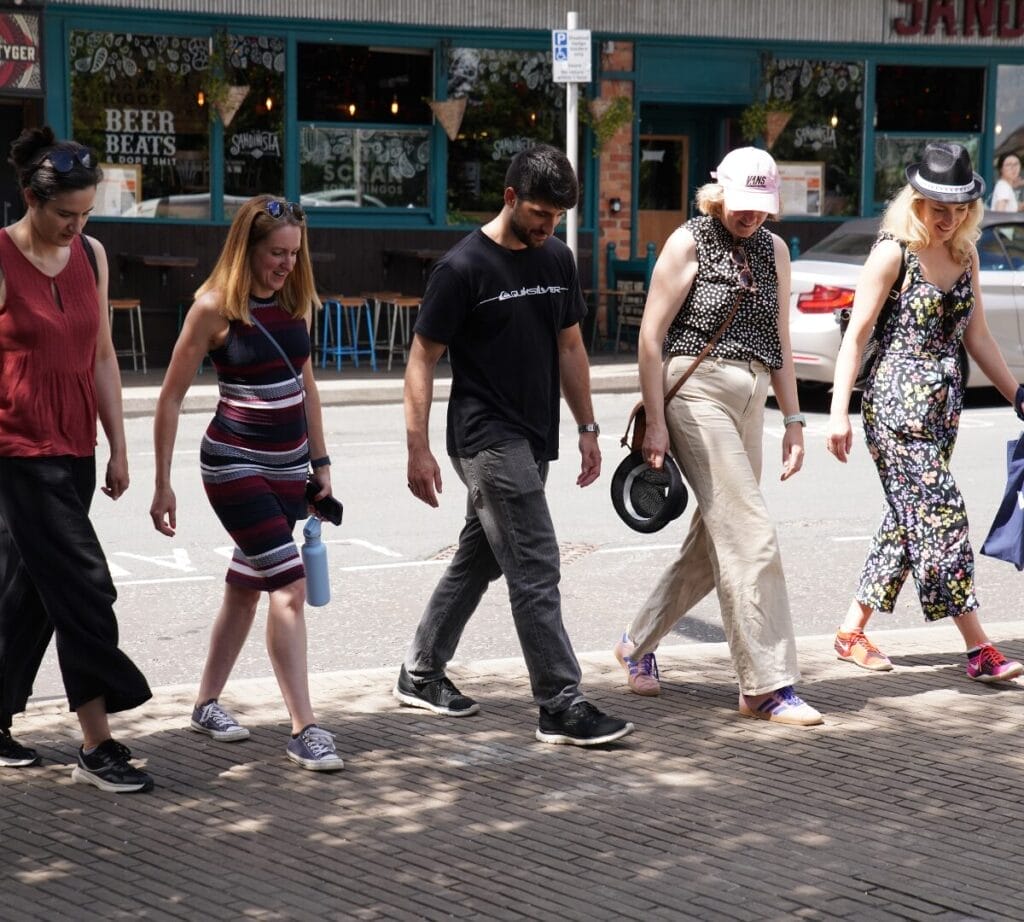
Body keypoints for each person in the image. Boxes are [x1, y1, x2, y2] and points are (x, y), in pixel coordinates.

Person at [395, 144, 633, 746]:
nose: (547, 227)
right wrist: (417, 447)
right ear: (509, 198)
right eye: (539, 214)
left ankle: (420, 672)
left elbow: (571, 347)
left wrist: (586, 427)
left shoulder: (555, 259)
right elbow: (421, 358)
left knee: (479, 560)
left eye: (556, 217)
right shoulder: (461, 269)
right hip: (484, 437)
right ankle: (559, 701)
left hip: (534, 437)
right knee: (535, 562)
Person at [612, 147, 823, 727]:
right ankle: (765, 684)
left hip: (752, 397)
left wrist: (795, 421)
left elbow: (778, 339)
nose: (751, 216)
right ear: (719, 193)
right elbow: (650, 339)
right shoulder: (688, 242)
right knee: (751, 535)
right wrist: (655, 421)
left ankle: (636, 640)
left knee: (716, 541)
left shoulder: (775, 251)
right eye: (742, 204)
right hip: (697, 391)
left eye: (762, 207)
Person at [150, 194, 344, 771]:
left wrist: (321, 466)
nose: (286, 264)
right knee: (287, 585)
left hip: (289, 470)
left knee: (244, 586)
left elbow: (307, 390)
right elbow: (169, 398)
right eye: (275, 254)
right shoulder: (213, 309)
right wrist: (162, 483)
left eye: (293, 253)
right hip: (234, 464)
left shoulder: (295, 305)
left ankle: (206, 703)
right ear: (247, 249)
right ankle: (304, 728)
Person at [827, 141, 1024, 680]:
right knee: (942, 516)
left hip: (941, 413)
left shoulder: (966, 254)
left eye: (959, 210)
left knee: (907, 521)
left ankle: (850, 632)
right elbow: (858, 335)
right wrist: (839, 411)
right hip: (894, 409)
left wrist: (1018, 395)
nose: (949, 219)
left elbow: (978, 336)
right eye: (940, 209)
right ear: (916, 203)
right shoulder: (894, 252)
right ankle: (978, 647)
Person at [0, 126, 153, 791]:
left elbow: (101, 356)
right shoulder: (1, 257)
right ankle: (97, 741)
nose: (77, 226)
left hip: (76, 447)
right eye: (66, 214)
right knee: (83, 585)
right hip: (17, 451)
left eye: (86, 213)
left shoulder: (92, 256)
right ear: (33, 200)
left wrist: (119, 444)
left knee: (29, 590)